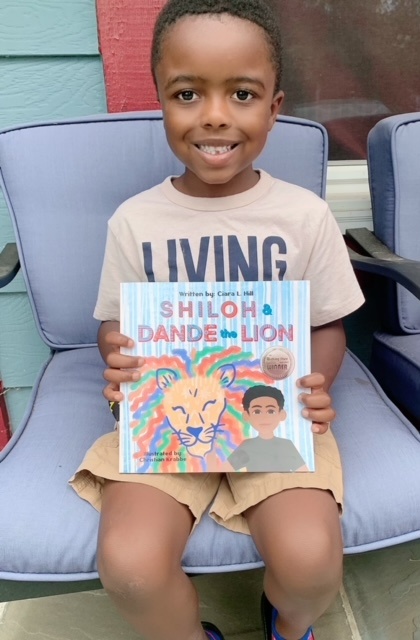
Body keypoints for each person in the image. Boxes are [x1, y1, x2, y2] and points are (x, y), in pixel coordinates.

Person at [69, 1, 365, 639]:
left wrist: (316, 382)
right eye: (186, 92)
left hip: (270, 416)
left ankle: (286, 625)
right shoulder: (135, 221)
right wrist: (114, 352)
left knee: (312, 563)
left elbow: (326, 323)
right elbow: (114, 325)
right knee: (131, 566)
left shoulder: (305, 216)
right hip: (168, 418)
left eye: (241, 93)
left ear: (274, 107)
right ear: (161, 102)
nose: (214, 115)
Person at [226, 385, 309, 472]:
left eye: (271, 411)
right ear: (246, 416)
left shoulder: (286, 445)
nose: (264, 417)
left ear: (281, 414)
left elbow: (304, 472)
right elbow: (225, 468)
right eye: (257, 411)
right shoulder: (247, 446)